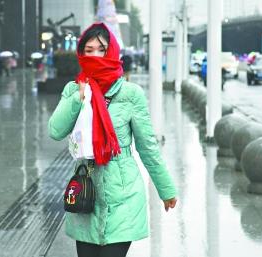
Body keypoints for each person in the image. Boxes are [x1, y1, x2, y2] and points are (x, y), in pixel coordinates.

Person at [48, 22, 177, 257]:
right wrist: (78, 96)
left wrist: (166, 189)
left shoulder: (130, 94)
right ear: (81, 53)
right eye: (89, 50)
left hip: (123, 196)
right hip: (85, 193)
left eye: (101, 49)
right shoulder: (72, 90)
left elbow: (147, 146)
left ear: (113, 52)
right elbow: (55, 130)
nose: (95, 55)